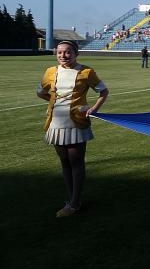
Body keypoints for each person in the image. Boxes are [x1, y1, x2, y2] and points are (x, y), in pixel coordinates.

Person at [36, 41, 109, 217]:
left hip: (76, 122)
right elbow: (40, 91)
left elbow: (103, 91)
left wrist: (93, 109)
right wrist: (55, 102)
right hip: (55, 122)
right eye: (60, 52)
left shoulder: (86, 72)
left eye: (68, 52)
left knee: (76, 162)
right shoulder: (50, 72)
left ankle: (75, 203)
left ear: (76, 54)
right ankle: (72, 199)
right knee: (64, 162)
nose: (63, 55)